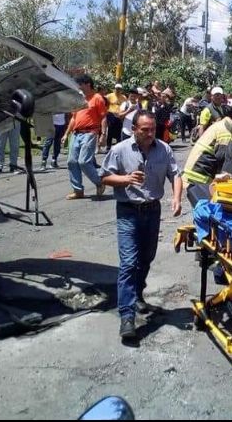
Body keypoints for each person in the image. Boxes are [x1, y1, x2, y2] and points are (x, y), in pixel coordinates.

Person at [100, 111, 182, 340]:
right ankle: (126, 316)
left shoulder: (163, 149)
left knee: (146, 257)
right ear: (134, 129)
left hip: (152, 211)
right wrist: (125, 179)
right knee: (128, 262)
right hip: (128, 211)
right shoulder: (119, 150)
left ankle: (136, 294)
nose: (149, 134)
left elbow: (175, 175)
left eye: (152, 129)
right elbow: (104, 178)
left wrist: (176, 198)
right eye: (144, 129)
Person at [62, 74, 107, 200]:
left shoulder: (97, 98)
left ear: (87, 84)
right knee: (71, 161)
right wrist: (66, 134)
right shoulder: (78, 98)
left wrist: (103, 135)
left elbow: (103, 117)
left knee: (84, 161)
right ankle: (78, 191)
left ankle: (99, 182)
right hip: (76, 134)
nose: (78, 87)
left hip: (90, 133)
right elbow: (74, 118)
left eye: (80, 85)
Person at [182, 105, 232, 187]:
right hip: (199, 178)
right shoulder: (226, 132)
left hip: (194, 173)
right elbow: (223, 161)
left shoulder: (221, 125)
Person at [105, 83, 127, 149]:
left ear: (121, 90)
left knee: (119, 130)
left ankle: (118, 145)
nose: (118, 90)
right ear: (114, 89)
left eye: (119, 89)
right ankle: (108, 145)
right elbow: (103, 100)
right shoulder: (109, 96)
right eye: (117, 88)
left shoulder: (124, 97)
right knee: (110, 130)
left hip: (119, 115)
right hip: (111, 114)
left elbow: (126, 105)